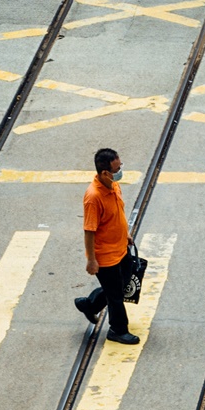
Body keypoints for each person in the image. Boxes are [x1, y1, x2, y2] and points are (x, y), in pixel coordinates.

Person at [74, 146, 138, 345]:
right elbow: (89, 230)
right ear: (105, 172)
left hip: (120, 247)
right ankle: (118, 329)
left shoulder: (113, 186)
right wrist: (92, 260)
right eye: (117, 169)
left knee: (123, 282)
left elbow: (117, 214)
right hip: (105, 255)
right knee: (116, 295)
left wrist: (125, 233)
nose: (120, 171)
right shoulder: (94, 198)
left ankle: (90, 305)